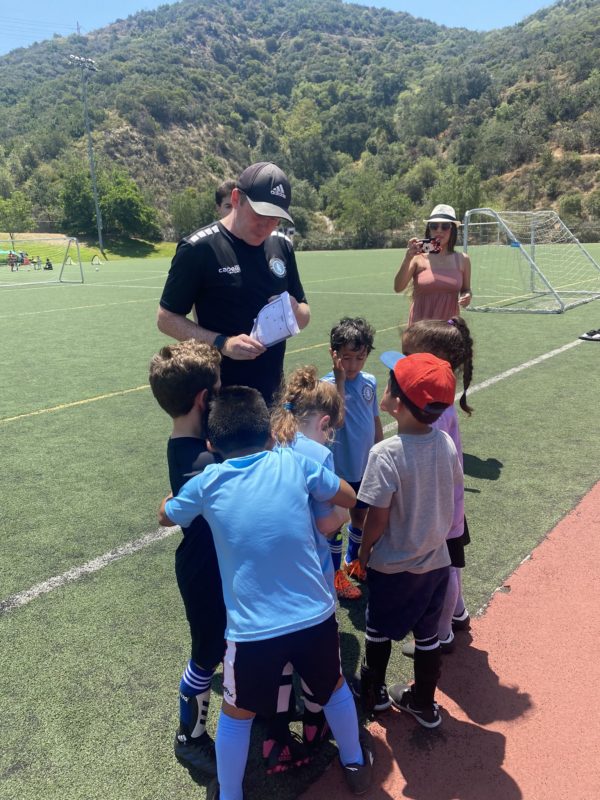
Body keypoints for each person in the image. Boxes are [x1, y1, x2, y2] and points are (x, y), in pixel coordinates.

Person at [159, 386, 374, 800]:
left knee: (236, 715)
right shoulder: (293, 462)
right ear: (272, 434)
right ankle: (354, 763)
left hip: (252, 632)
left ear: (211, 445)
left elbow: (166, 516)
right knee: (333, 689)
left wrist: (172, 501)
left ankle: (230, 794)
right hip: (314, 616)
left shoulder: (208, 481)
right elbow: (348, 496)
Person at [353, 353, 463, 728]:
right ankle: (425, 703)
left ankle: (375, 694)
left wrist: (364, 550)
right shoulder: (445, 443)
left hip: (393, 565)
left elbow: (377, 517)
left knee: (377, 628)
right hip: (436, 562)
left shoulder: (385, 453)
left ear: (396, 403)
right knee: (427, 635)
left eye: (389, 383)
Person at [157, 161, 310, 406]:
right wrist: (223, 343)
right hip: (220, 400)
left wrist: (292, 310)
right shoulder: (199, 248)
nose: (266, 226)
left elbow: (304, 313)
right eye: (259, 214)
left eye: (275, 219)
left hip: (272, 397)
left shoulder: (281, 245)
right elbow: (166, 319)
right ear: (237, 198)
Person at [148, 340, 225, 777]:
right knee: (205, 654)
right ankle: (189, 737)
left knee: (222, 643)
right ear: (202, 398)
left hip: (208, 564)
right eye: (218, 387)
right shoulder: (206, 463)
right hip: (204, 572)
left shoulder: (187, 444)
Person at [268, 365, 352, 764]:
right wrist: (346, 513)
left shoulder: (269, 442)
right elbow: (324, 523)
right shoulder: (317, 454)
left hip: (269, 574)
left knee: (281, 660)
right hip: (310, 574)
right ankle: (316, 724)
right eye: (330, 430)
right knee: (320, 658)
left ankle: (276, 735)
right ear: (322, 423)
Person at [398, 316, 474, 658]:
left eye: (408, 356)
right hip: (449, 505)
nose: (402, 364)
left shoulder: (433, 413)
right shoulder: (437, 403)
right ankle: (458, 613)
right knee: (452, 565)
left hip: (440, 509)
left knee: (446, 571)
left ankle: (442, 634)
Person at [322, 317, 384, 599]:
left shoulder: (369, 381)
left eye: (360, 357)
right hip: (338, 469)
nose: (353, 365)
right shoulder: (326, 387)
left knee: (360, 514)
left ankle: (353, 560)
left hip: (364, 465)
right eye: (346, 358)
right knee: (335, 522)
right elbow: (337, 420)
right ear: (334, 354)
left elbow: (375, 419)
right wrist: (339, 380)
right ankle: (334, 574)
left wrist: (380, 451)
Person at [393, 204, 472, 324]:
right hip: (420, 329)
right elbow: (398, 287)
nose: (439, 230)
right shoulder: (417, 257)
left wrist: (467, 296)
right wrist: (407, 258)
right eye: (434, 226)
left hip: (448, 330)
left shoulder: (463, 260)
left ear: (453, 230)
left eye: (445, 226)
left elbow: (466, 290)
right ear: (429, 230)